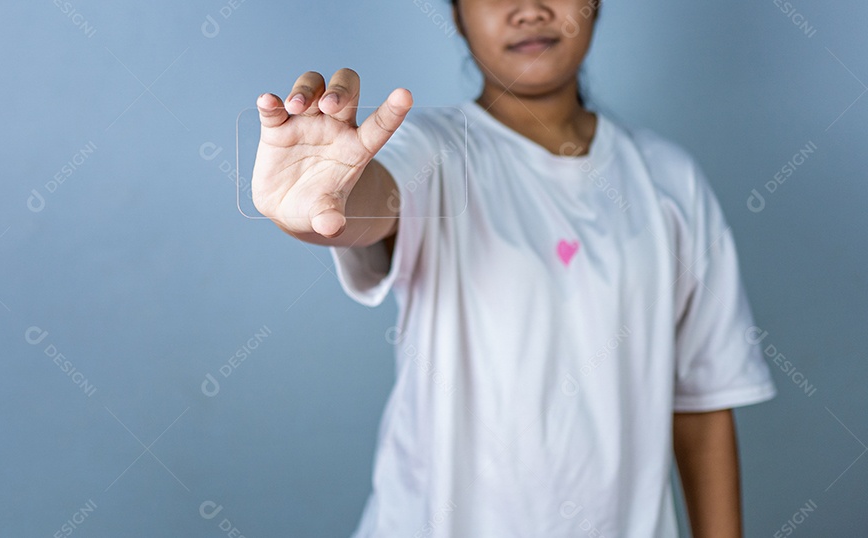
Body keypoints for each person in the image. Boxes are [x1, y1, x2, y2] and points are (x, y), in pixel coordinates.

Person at [251, 1, 777, 536]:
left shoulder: (670, 180)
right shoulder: (433, 149)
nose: (529, 10)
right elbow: (364, 202)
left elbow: (704, 404)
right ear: (457, 16)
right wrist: (317, 201)